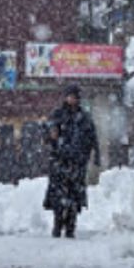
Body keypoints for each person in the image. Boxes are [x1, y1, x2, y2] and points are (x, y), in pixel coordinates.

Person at [43, 84, 100, 238]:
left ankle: (70, 227)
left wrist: (94, 156)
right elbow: (47, 134)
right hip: (59, 161)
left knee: (74, 197)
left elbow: (92, 138)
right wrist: (51, 136)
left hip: (77, 162)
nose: (72, 99)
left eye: (75, 96)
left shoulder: (84, 117)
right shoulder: (57, 114)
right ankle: (57, 224)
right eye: (70, 96)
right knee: (58, 197)